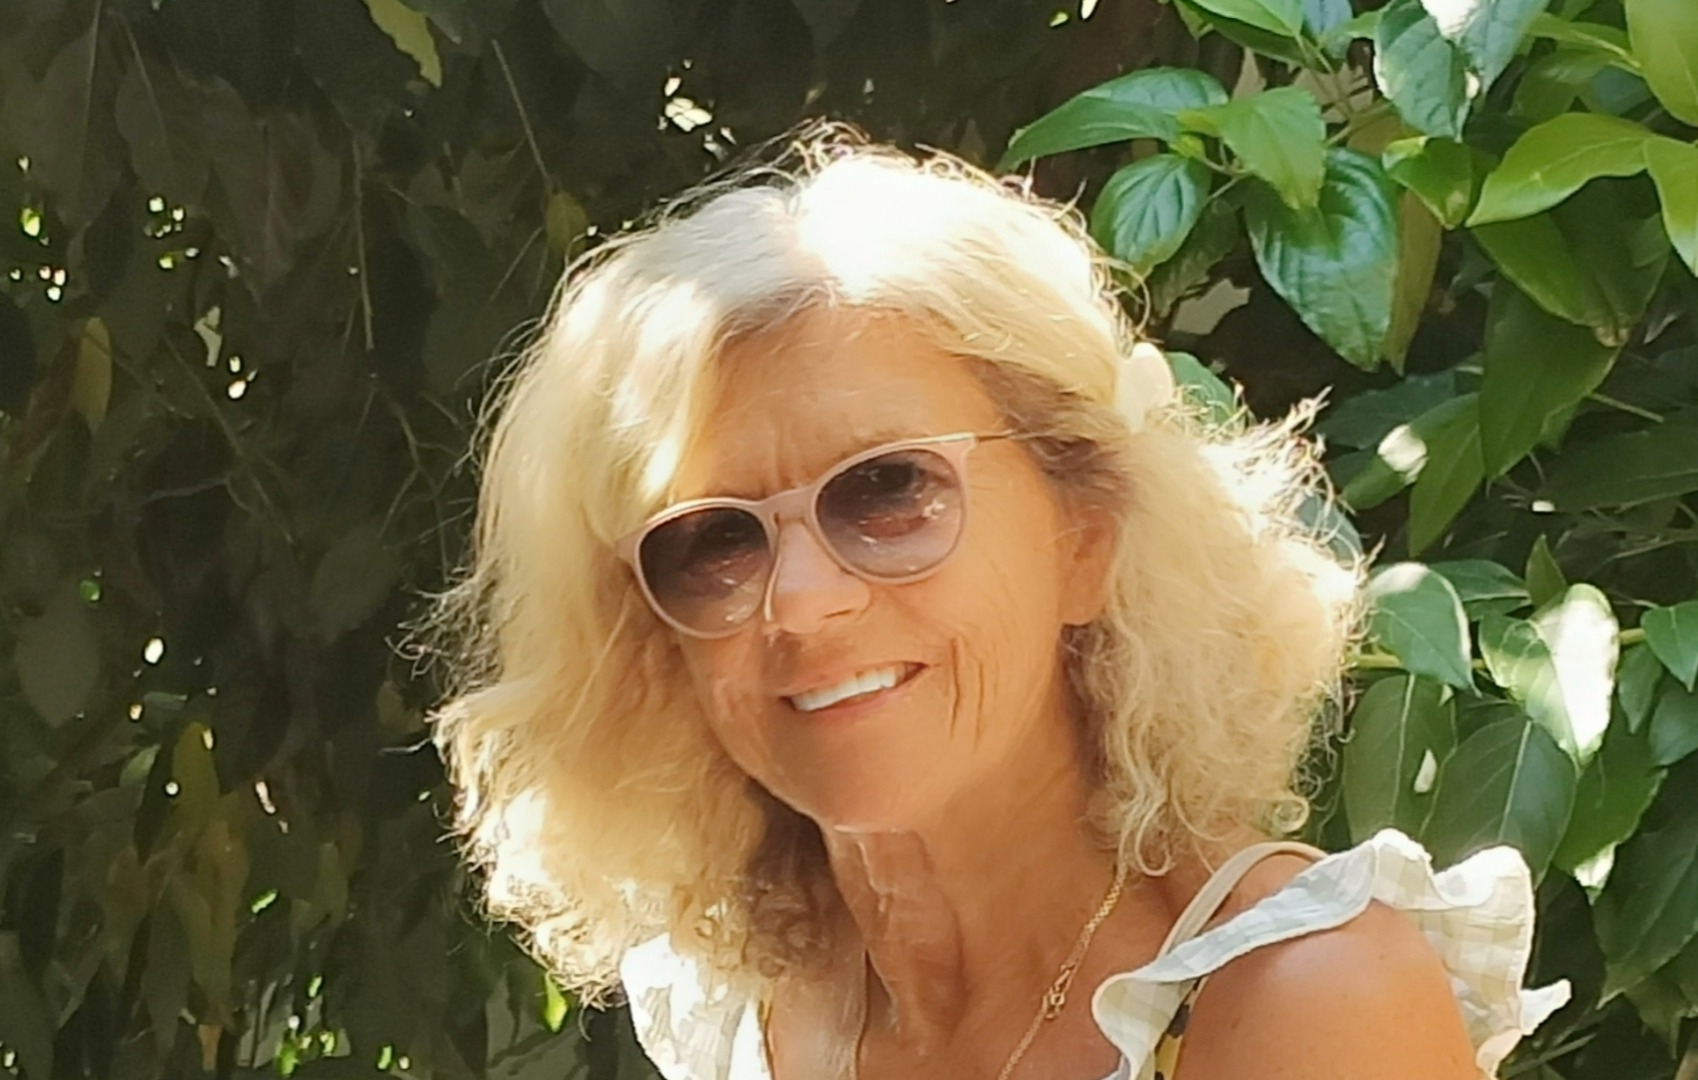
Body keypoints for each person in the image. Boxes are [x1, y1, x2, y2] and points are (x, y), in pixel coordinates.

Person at [421, 130, 1568, 1080]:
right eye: (711, 541)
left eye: (888, 489)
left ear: (1085, 534)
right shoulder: (743, 1015)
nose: (802, 602)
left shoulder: (1304, 1000)